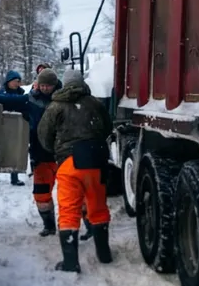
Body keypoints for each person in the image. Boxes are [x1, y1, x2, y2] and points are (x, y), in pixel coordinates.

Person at [37, 68, 114, 274]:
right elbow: (108, 127)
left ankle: (71, 262)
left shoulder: (55, 106)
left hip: (70, 163)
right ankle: (104, 254)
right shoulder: (95, 103)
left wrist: (57, 150)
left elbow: (44, 135)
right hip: (96, 161)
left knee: (69, 210)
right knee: (98, 207)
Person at [0, 68, 61, 237]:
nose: (45, 89)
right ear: (37, 84)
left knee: (73, 194)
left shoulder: (63, 99)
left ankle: (86, 226)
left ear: (54, 85)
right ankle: (49, 225)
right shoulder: (30, 100)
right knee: (41, 194)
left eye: (48, 85)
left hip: (63, 155)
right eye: (42, 85)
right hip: (40, 155)